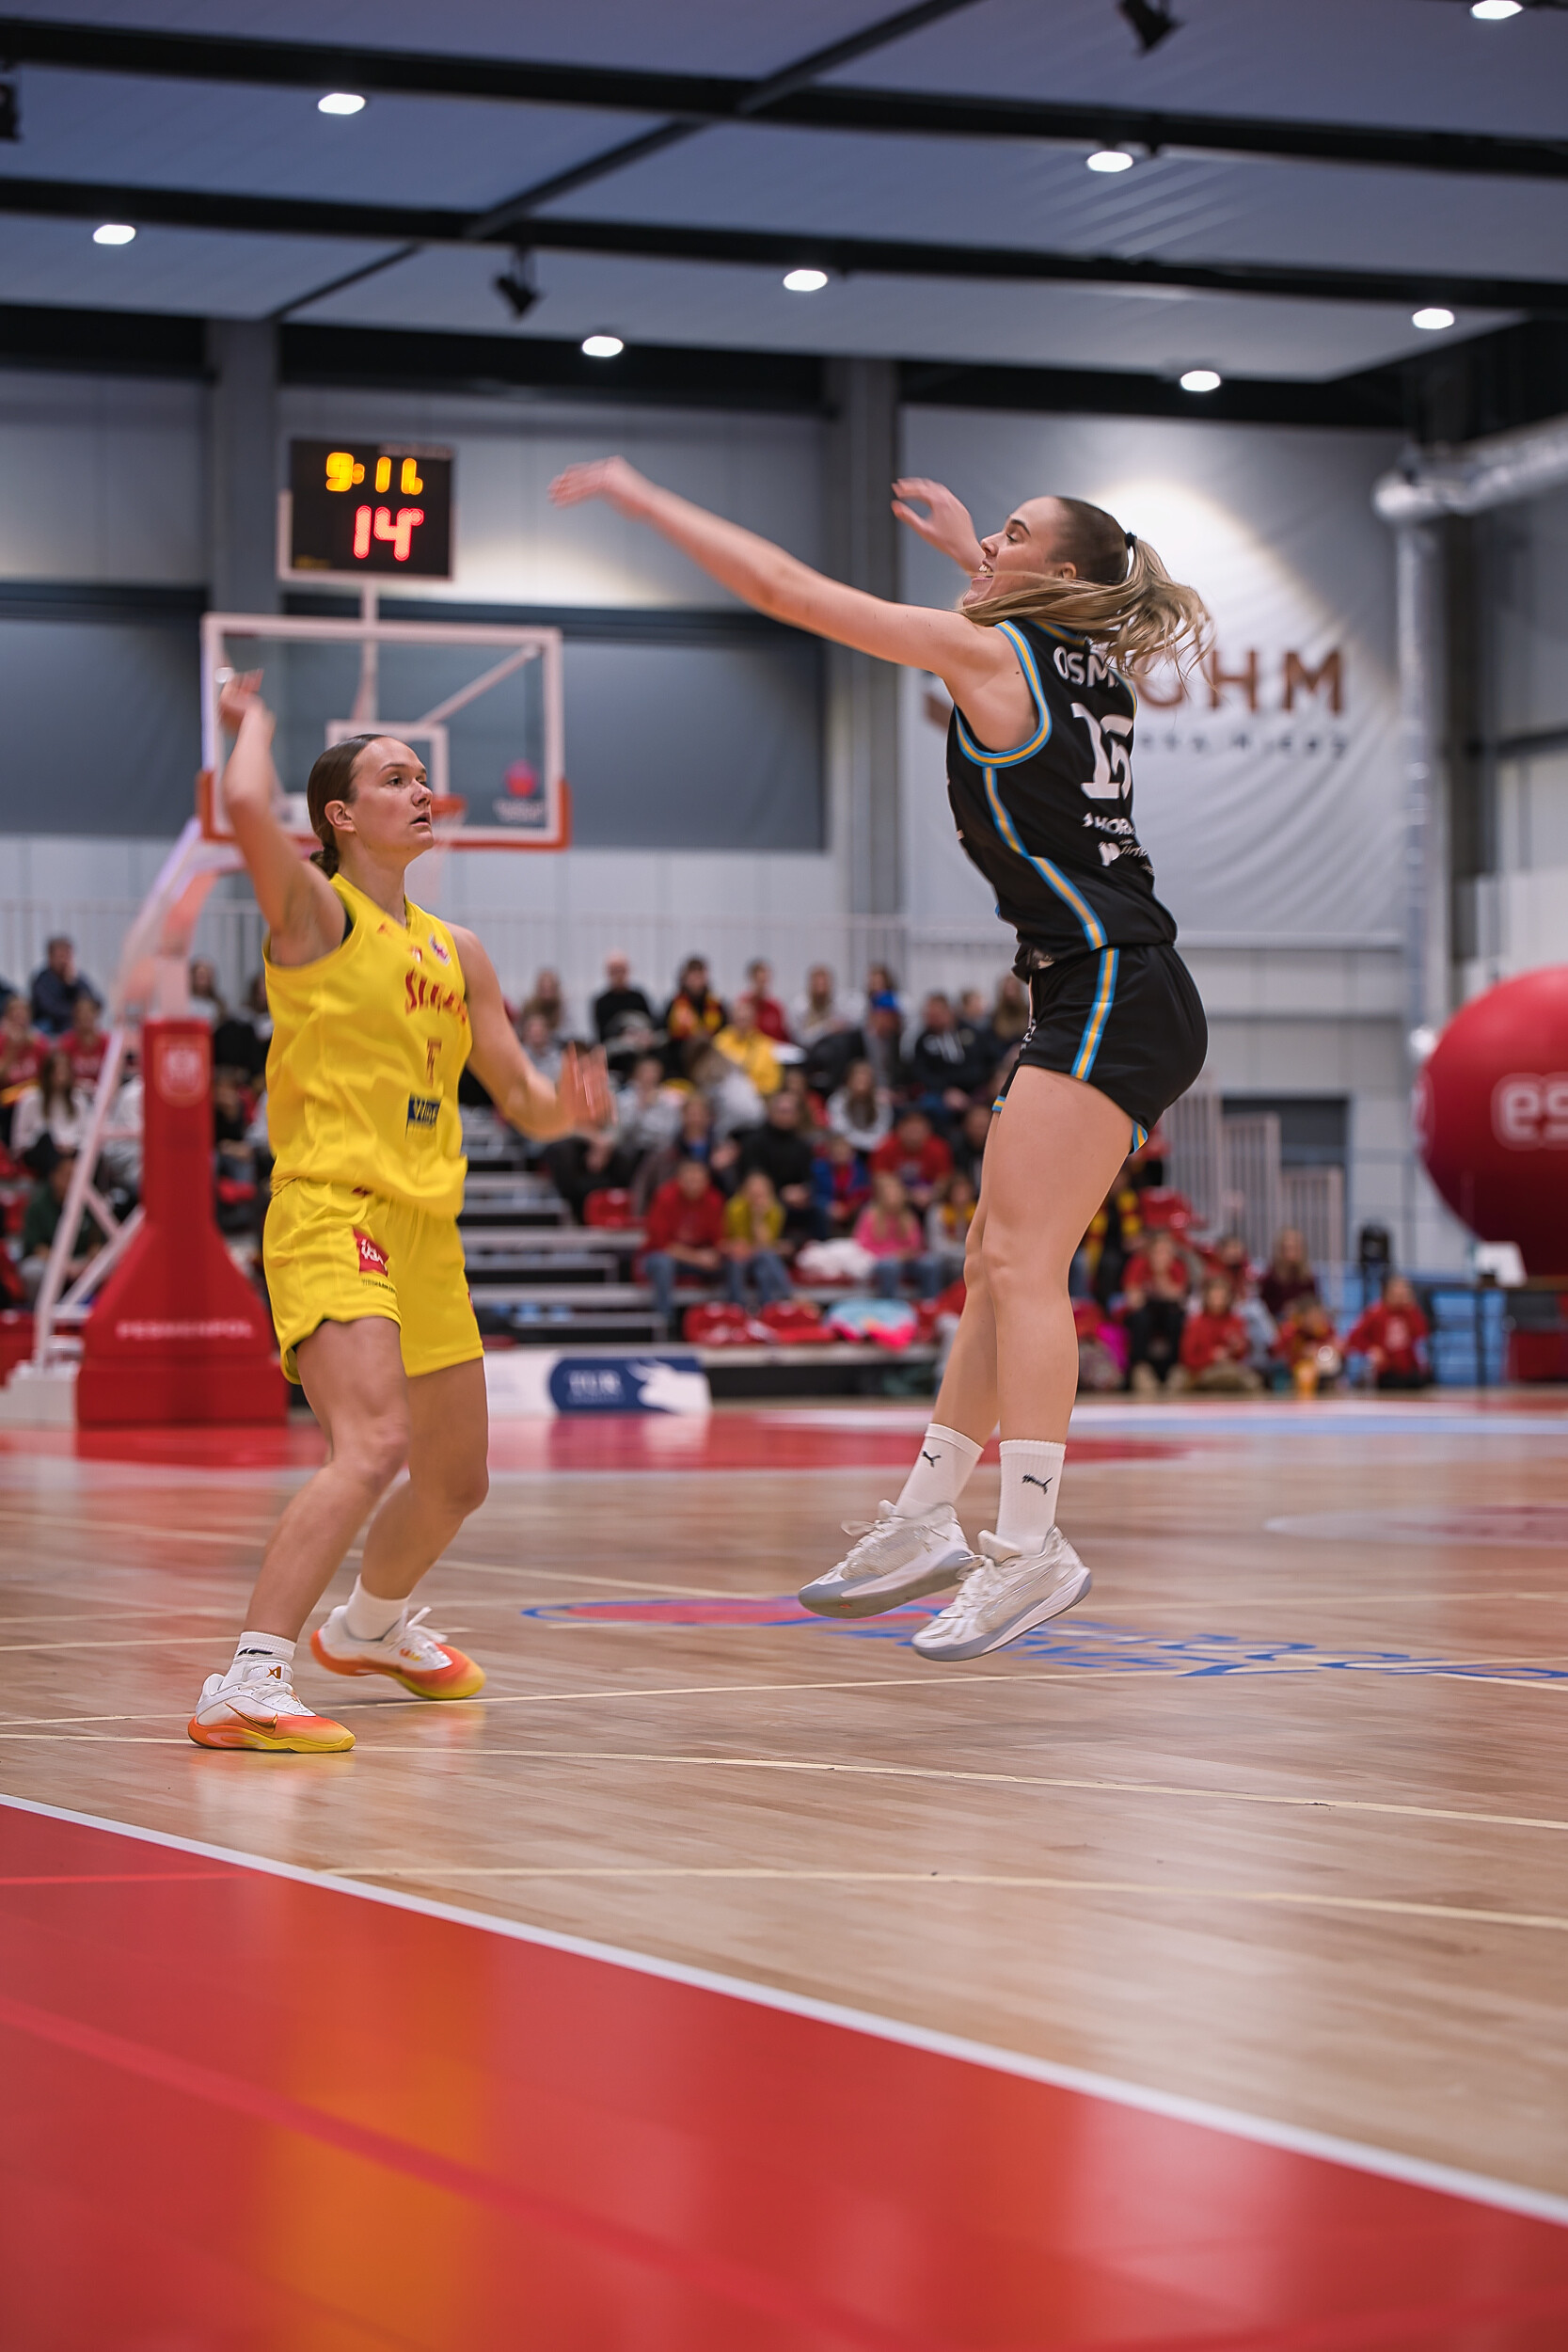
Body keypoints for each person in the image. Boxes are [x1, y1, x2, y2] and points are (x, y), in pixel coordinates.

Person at [550, 455, 1210, 1655]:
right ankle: (922, 1517)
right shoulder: (1086, 663)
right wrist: (971, 551)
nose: (989, 545)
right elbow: (1038, 610)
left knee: (1021, 1265)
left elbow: (788, 591)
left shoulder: (991, 656)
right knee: (990, 1264)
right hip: (1109, 982)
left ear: (1057, 573)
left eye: (1012, 533)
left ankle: (1029, 1545)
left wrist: (647, 502)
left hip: (1110, 978)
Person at [186, 675, 610, 1755]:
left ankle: (368, 1629)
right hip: (333, 1207)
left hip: (426, 1227)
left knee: (457, 1478)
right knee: (370, 1443)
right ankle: (246, 1679)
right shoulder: (316, 911)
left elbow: (517, 1097)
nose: (422, 791)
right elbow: (245, 807)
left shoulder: (457, 949)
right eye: (394, 778)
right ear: (340, 814)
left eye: (422, 777)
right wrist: (253, 723)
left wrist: (565, 1111)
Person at [641, 1154, 725, 1334]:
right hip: (661, 1258)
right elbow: (662, 1244)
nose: (693, 1184)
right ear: (679, 1180)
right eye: (689, 1180)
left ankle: (732, 1317)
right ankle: (666, 1324)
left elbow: (719, 1240)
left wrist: (715, 1254)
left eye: (698, 1180)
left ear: (706, 1181)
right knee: (663, 1263)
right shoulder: (665, 1197)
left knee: (733, 1262)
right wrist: (697, 1257)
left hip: (697, 1259)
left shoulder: (714, 1200)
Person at [18, 1151, 103, 1301]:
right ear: (54, 1176)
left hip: (82, 1260)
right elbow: (37, 1248)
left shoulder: (90, 1200)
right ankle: (40, 1310)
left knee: (113, 1265)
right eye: (67, 1176)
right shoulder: (38, 1205)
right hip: (50, 1262)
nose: (72, 1181)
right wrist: (65, 1265)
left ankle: (98, 1309)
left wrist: (91, 1260)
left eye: (77, 1176)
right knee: (32, 1271)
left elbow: (98, 1241)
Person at [736, 1089, 819, 1240]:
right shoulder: (754, 1141)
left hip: (796, 1199)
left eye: (790, 1111)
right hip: (765, 1197)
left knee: (819, 1209)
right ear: (771, 1112)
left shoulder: (802, 1145)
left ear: (798, 1115)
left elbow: (808, 1176)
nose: (785, 1116)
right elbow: (752, 1176)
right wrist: (781, 1192)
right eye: (782, 1111)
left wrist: (803, 1191)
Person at [852, 1170, 939, 1301]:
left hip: (906, 1260)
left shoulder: (908, 1217)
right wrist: (892, 1255)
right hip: (880, 1261)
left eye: (896, 1194)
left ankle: (929, 1304)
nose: (893, 1198)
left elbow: (916, 1244)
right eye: (890, 1194)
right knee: (890, 1266)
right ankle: (889, 1305)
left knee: (931, 1263)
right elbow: (863, 1244)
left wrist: (906, 1254)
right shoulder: (870, 1215)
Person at [1122, 1229, 1191, 1394]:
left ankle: (1174, 1369)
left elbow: (1178, 1296)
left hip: (1168, 1311)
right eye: (1158, 1251)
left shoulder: (1177, 1266)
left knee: (1177, 1318)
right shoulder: (1138, 1263)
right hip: (1145, 1310)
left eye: (1166, 1251)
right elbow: (1133, 1300)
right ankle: (1140, 1368)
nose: (1162, 1256)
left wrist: (1161, 1275)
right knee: (1140, 1318)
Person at [907, 991, 990, 1122]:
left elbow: (983, 1063)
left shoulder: (970, 1032)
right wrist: (946, 1091)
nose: (931, 1020)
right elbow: (921, 1073)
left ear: (948, 1012)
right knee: (930, 1107)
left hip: (974, 1089)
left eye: (936, 1015)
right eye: (929, 1015)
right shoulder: (923, 1041)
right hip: (940, 1092)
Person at [1171, 1275, 1262, 1393]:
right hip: (1200, 1371)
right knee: (1177, 1378)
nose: (1218, 1300)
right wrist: (1211, 1357)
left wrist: (1236, 1349)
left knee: (1250, 1381)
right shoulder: (1196, 1322)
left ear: (1228, 1298)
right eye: (1214, 1296)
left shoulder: (1236, 1321)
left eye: (1221, 1296)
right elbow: (1187, 1357)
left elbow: (1242, 1355)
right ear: (1207, 1297)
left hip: (1229, 1369)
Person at [721, 1168, 794, 1311]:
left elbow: (765, 1243)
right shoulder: (735, 1207)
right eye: (753, 1190)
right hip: (738, 1254)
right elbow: (735, 1240)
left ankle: (769, 1309)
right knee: (739, 1263)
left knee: (764, 1267)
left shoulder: (775, 1209)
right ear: (745, 1190)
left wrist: (758, 1217)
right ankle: (736, 1308)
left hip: (759, 1254)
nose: (757, 1194)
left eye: (761, 1191)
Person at [1344, 1275, 1432, 1391]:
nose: (1400, 1296)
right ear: (1388, 1293)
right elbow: (1354, 1337)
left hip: (1409, 1369)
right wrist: (1371, 1349)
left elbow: (1422, 1332)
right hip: (1386, 1370)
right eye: (1397, 1292)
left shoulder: (1409, 1312)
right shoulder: (1376, 1313)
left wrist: (1412, 1307)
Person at [11, 1045, 92, 1170]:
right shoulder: (30, 1098)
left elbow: (87, 1135)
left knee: (90, 1155)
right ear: (47, 1074)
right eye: (57, 1073)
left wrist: (71, 1144)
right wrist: (54, 1144)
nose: (61, 1078)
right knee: (46, 1141)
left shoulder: (78, 1099)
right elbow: (19, 1140)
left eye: (65, 1073)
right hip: (40, 1152)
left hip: (71, 1150)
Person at [871, 1108, 952, 1216]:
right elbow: (880, 1179)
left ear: (928, 1130)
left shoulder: (939, 1148)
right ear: (900, 1129)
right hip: (897, 1198)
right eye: (910, 1129)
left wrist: (931, 1195)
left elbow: (944, 1180)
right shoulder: (885, 1147)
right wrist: (910, 1195)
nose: (914, 1135)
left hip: (931, 1200)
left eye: (918, 1129)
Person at [0, 992, 47, 1147]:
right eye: (15, 1016)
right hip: (7, 1103)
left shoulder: (39, 1044)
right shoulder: (2, 1042)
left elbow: (48, 1076)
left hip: (34, 1100)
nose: (19, 1021)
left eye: (23, 1016)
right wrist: (11, 1051)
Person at [29, 937, 101, 1038]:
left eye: (67, 956)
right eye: (60, 956)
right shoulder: (41, 981)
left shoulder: (76, 979)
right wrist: (76, 1013)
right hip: (51, 1026)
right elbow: (48, 1008)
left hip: (74, 1024)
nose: (64, 961)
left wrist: (73, 984)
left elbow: (93, 1002)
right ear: (50, 957)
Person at [714, 998, 783, 1098]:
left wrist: (750, 1088)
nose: (742, 1024)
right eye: (739, 1019)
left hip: (756, 1097)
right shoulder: (719, 1042)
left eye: (745, 1020)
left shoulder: (765, 1046)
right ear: (731, 1020)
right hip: (723, 1096)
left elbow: (772, 1083)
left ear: (754, 1020)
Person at [664, 957, 725, 1067]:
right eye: (693, 976)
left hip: (711, 1056)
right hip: (682, 1058)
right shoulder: (675, 1004)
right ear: (685, 978)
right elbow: (667, 1033)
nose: (697, 981)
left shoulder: (716, 1004)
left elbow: (725, 1031)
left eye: (700, 976)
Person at [828, 1057, 895, 1153]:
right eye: (858, 1079)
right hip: (847, 1148)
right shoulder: (837, 1100)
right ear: (849, 1080)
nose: (861, 1084)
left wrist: (872, 1145)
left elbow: (883, 1131)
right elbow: (840, 1130)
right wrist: (860, 1143)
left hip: (875, 1148)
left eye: (865, 1080)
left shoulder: (881, 1101)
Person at [214, 973, 272, 1081]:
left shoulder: (278, 1017)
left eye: (266, 993)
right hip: (246, 1057)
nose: (263, 997)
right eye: (260, 994)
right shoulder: (245, 1014)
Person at [1260, 1228, 1318, 1323]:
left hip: (1303, 1320)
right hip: (1277, 1320)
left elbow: (1313, 1302)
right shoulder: (1271, 1276)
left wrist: (1299, 1308)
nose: (1291, 1253)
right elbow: (1264, 1305)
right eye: (1288, 1248)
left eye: (1295, 1248)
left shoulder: (1308, 1277)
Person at [741, 960, 792, 1044]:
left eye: (764, 981)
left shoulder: (775, 1008)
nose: (762, 986)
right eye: (759, 981)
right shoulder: (743, 1007)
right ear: (751, 979)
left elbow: (784, 1037)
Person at [64, 993, 108, 1089]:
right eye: (81, 1012)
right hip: (75, 1091)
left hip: (103, 1090)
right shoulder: (66, 1044)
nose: (85, 1016)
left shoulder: (108, 1043)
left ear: (96, 1014)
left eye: (89, 1012)